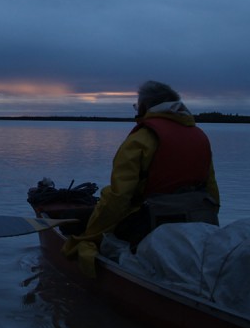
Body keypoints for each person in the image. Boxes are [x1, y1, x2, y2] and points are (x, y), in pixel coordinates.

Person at [62, 80, 220, 276]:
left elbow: (118, 197)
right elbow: (212, 189)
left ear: (145, 107)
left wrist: (90, 235)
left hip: (152, 225)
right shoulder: (199, 136)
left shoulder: (141, 139)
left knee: (92, 226)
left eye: (138, 106)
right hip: (200, 220)